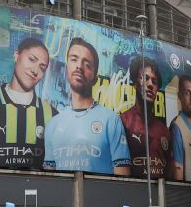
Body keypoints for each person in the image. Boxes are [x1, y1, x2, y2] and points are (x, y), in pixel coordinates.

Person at [43, 38, 130, 175]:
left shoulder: (111, 120)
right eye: (74, 59)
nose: (79, 66)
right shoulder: (53, 124)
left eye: (87, 64)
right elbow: (50, 181)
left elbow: (123, 179)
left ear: (95, 79)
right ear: (66, 69)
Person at [0, 37, 56, 169]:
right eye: (32, 59)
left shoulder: (52, 115)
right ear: (16, 56)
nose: (35, 70)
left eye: (42, 67)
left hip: (38, 187)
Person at [119, 55, 174, 180]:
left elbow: (169, 172)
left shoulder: (164, 130)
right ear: (135, 84)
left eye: (154, 82)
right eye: (145, 78)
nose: (150, 84)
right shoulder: (123, 121)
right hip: (132, 194)